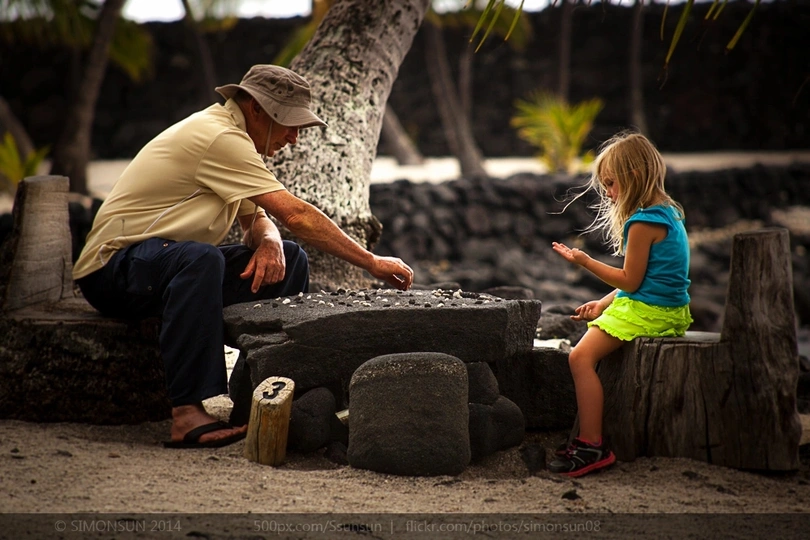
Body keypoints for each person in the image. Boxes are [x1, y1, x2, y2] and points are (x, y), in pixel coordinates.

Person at [72, 64, 414, 449]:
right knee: (202, 259)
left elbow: (259, 218)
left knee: (291, 258)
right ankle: (185, 415)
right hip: (111, 270)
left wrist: (268, 240)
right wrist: (371, 262)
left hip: (161, 266)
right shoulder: (219, 137)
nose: (294, 138)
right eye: (289, 123)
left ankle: (260, 390)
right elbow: (296, 215)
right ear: (255, 108)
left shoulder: (235, 138)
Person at [547, 131, 692, 477]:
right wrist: (603, 303)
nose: (609, 194)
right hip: (667, 308)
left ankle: (591, 445)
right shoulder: (669, 212)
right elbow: (647, 279)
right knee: (587, 352)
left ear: (633, 176)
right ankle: (588, 440)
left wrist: (585, 262)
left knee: (580, 358)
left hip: (650, 311)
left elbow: (630, 281)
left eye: (611, 184)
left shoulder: (642, 223)